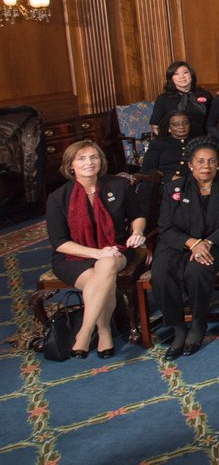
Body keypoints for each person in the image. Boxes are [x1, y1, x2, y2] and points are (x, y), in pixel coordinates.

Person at [45, 140, 148, 359]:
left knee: (108, 263)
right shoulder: (57, 198)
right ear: (70, 165)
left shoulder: (118, 185)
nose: (89, 163)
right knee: (102, 276)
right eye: (81, 158)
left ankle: (84, 331)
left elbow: (137, 215)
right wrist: (97, 253)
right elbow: (60, 242)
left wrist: (137, 232)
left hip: (117, 247)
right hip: (73, 256)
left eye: (94, 157)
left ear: (101, 161)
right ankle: (103, 330)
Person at [154, 138, 219, 359]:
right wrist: (192, 243)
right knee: (161, 274)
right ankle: (177, 329)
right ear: (190, 165)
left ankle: (198, 324)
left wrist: (207, 242)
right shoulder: (173, 188)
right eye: (200, 161)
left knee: (197, 270)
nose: (206, 166)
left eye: (211, 161)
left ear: (218, 164)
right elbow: (165, 227)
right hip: (178, 243)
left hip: (215, 243)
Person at [150, 60, 213, 136]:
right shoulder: (163, 99)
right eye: (176, 74)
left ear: (191, 75)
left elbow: (214, 121)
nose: (182, 76)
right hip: (173, 142)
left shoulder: (205, 94)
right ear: (171, 78)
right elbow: (156, 126)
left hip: (202, 141)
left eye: (185, 72)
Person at [141, 112, 191, 179]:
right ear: (169, 127)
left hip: (190, 184)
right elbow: (146, 170)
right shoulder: (158, 143)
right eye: (175, 124)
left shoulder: (198, 142)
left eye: (185, 123)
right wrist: (170, 177)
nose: (181, 127)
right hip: (161, 183)